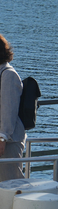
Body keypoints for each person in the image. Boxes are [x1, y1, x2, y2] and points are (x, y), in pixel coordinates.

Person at [0, 35, 27, 182]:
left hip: (8, 140)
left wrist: (2, 137)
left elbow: (8, 109)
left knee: (10, 183)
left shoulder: (8, 74)